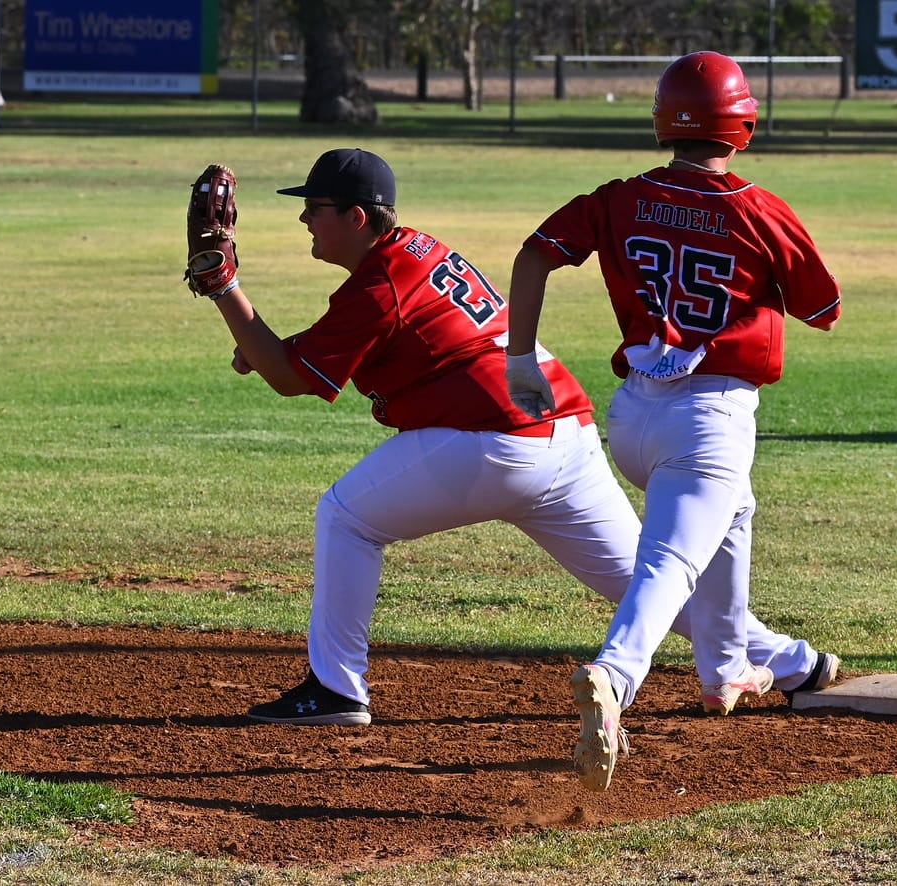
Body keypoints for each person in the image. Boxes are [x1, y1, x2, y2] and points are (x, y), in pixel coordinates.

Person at [187, 147, 839, 728]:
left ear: (357, 217)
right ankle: (792, 663)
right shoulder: (416, 251)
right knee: (642, 583)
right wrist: (260, 342)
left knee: (346, 516)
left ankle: (335, 687)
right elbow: (310, 351)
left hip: (493, 443)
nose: (306, 219)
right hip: (563, 434)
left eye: (316, 208)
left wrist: (225, 289)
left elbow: (290, 378)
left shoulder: (379, 283)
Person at [505, 52, 843, 791]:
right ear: (742, 121)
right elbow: (823, 309)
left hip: (631, 418)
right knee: (668, 565)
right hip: (711, 417)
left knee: (732, 519)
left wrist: (520, 357)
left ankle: (724, 672)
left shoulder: (619, 197)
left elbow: (534, 256)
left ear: (664, 121)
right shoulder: (760, 208)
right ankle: (613, 677)